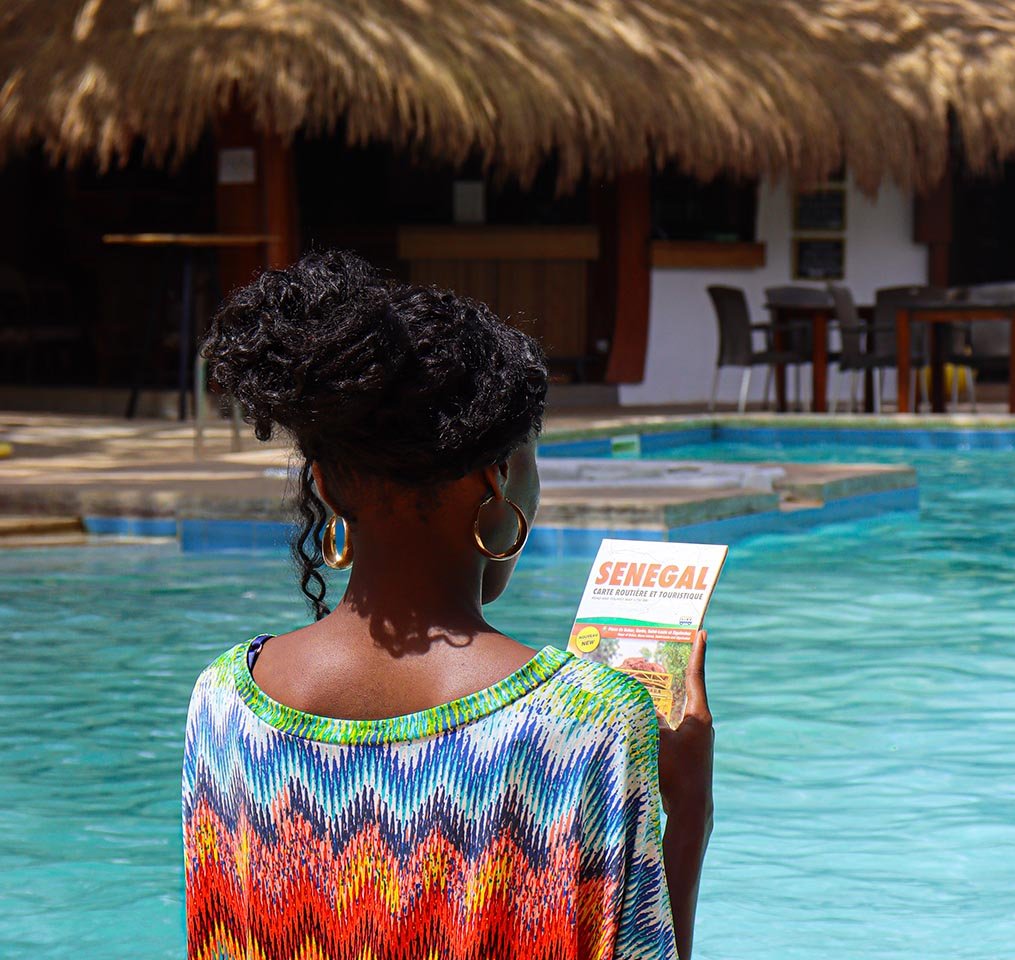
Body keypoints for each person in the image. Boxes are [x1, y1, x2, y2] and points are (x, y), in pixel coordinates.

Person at [182, 250, 714, 960]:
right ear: (498, 478)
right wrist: (687, 812)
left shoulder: (222, 702)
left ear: (329, 488)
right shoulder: (591, 724)